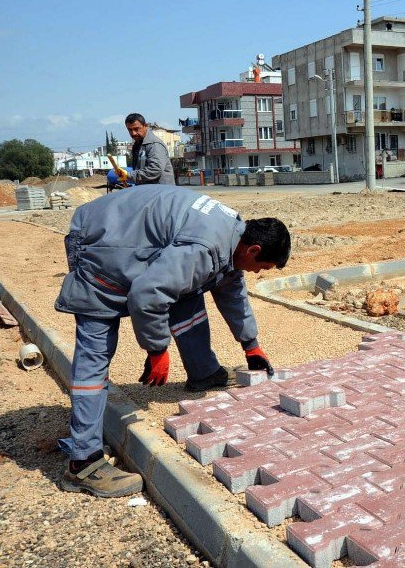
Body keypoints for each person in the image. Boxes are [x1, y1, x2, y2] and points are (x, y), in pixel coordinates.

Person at [54, 185, 291, 497]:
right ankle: (83, 464)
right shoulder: (205, 248)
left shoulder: (232, 233)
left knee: (185, 289)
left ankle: (204, 373)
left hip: (120, 231)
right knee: (95, 353)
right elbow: (147, 294)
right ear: (254, 251)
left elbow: (231, 288)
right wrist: (156, 350)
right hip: (100, 246)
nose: (259, 272)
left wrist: (251, 344)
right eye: (264, 268)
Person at [120, 113, 176, 185]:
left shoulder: (154, 144)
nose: (133, 133)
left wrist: (129, 175)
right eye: (130, 130)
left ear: (145, 126)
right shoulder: (137, 146)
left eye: (136, 129)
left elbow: (155, 170)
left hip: (161, 193)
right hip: (148, 192)